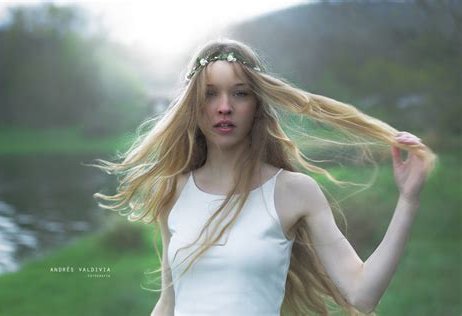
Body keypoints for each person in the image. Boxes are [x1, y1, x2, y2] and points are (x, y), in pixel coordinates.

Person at [92, 38, 437, 316]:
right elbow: (169, 303)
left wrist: (409, 199)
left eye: (239, 93)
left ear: (257, 104)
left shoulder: (294, 191)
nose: (224, 106)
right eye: (210, 94)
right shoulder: (174, 190)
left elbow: (362, 295)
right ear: (194, 106)